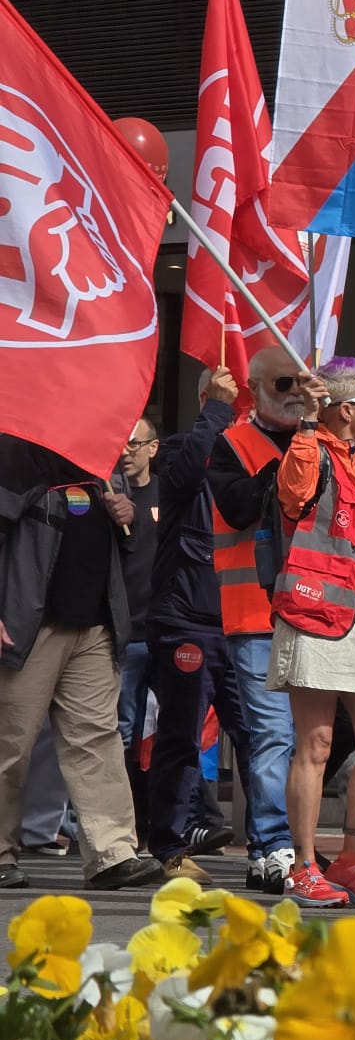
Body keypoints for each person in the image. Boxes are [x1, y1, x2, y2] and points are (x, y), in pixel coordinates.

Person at [0, 435, 165, 890]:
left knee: (96, 738)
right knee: (10, 741)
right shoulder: (16, 453)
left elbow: (125, 548)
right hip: (29, 625)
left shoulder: (100, 461)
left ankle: (112, 854)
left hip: (94, 625)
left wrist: (126, 519)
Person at [264, 358, 355, 905]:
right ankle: (302, 867)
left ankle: (350, 858)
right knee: (315, 744)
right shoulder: (311, 449)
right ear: (345, 410)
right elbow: (293, 496)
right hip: (315, 614)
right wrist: (307, 420)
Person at [208, 346, 313, 891]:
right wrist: (297, 454)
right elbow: (240, 506)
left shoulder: (322, 441)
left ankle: (295, 844)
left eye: (302, 384)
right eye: (283, 384)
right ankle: (272, 846)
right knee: (272, 734)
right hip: (254, 613)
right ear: (254, 389)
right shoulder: (232, 445)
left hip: (318, 611)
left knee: (315, 737)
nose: (296, 394)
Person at [147, 368, 244, 879]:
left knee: (261, 738)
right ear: (208, 398)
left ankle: (275, 849)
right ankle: (170, 847)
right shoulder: (181, 448)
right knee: (181, 736)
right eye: (233, 397)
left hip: (245, 620)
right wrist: (216, 413)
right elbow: (184, 476)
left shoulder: (255, 455)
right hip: (188, 619)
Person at [114, 417, 160, 755]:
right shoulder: (109, 495)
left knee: (160, 729)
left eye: (134, 444)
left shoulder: (169, 493)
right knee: (122, 728)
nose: (125, 452)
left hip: (163, 632)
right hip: (124, 635)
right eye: (121, 444)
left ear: (153, 448)